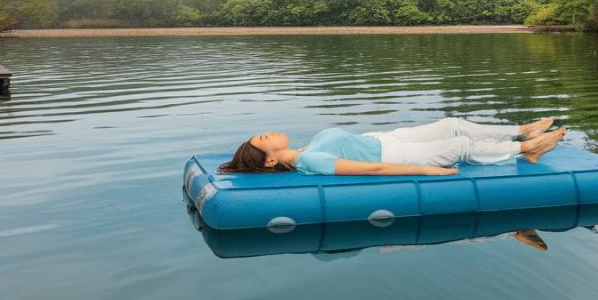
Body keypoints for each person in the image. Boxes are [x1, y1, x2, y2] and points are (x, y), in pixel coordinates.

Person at [220, 116, 567, 176]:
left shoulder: (306, 150)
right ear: (269, 162)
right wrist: (427, 170)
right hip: (395, 154)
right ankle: (526, 150)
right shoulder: (314, 162)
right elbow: (375, 168)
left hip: (390, 139)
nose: (268, 132)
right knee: (459, 144)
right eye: (264, 139)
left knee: (451, 123)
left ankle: (520, 131)